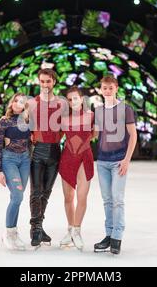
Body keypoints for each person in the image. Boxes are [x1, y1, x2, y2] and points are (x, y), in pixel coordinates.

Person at [93, 75, 137, 255]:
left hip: (118, 160)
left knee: (117, 199)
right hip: (102, 161)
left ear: (116, 88)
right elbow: (95, 135)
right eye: (104, 88)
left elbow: (133, 135)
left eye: (111, 87)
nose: (108, 91)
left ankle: (117, 237)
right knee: (107, 200)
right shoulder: (98, 110)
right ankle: (109, 234)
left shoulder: (126, 109)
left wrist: (127, 160)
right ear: (101, 90)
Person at [27, 68, 66, 247]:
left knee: (46, 192)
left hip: (55, 151)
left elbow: (67, 127)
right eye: (42, 81)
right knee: (36, 191)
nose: (45, 85)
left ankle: (39, 225)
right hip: (38, 151)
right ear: (38, 82)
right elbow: (26, 127)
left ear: (54, 82)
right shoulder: (32, 103)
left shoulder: (61, 104)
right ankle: (35, 229)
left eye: (48, 81)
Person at [58, 86, 95, 251]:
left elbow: (95, 134)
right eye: (69, 99)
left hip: (84, 157)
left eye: (75, 98)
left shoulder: (91, 116)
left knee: (82, 197)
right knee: (68, 197)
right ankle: (70, 229)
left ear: (81, 99)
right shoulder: (63, 118)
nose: (72, 101)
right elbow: (58, 136)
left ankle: (77, 231)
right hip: (67, 158)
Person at [0, 93, 30, 251]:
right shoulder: (4, 121)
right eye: (16, 100)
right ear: (12, 103)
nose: (18, 104)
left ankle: (14, 232)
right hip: (9, 160)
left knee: (17, 198)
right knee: (17, 195)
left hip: (25, 160)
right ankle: (8, 233)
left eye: (22, 102)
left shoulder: (28, 121)